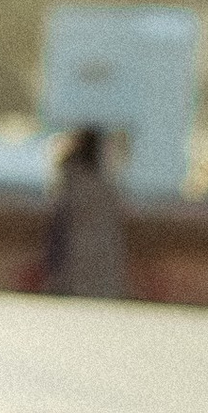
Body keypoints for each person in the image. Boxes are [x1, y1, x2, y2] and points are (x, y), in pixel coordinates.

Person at [41, 123, 130, 299]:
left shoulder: (72, 185)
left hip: (76, 261)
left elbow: (59, 229)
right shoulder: (106, 186)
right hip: (101, 262)